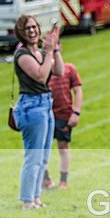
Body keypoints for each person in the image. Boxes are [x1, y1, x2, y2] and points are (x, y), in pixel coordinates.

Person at [12, 14, 63, 209]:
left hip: (45, 105)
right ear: (21, 33)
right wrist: (49, 50)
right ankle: (27, 200)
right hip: (31, 107)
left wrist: (55, 47)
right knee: (33, 156)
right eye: (27, 29)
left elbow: (59, 71)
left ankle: (36, 197)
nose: (32, 31)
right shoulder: (22, 55)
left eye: (34, 27)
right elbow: (41, 76)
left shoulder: (42, 52)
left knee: (43, 156)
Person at [42, 42, 82, 189]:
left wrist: (76, 112)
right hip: (46, 114)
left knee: (63, 147)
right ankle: (45, 178)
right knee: (41, 148)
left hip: (64, 114)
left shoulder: (69, 69)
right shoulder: (42, 71)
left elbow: (78, 91)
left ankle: (63, 180)